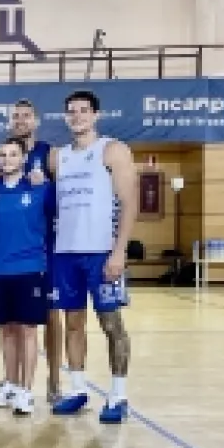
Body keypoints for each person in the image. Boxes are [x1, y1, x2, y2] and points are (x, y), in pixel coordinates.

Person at [49, 90, 136, 423]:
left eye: (84, 110)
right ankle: (77, 389)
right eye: (71, 111)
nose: (77, 116)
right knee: (73, 323)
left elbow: (130, 203)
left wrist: (119, 250)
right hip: (65, 253)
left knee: (111, 324)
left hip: (101, 252)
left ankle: (118, 395)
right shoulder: (58, 158)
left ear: (96, 115)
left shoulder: (112, 150)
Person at [0, 138, 54, 415]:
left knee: (28, 330)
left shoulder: (40, 188)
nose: (8, 159)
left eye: (13, 154)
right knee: (7, 331)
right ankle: (10, 385)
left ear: (24, 159)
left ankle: (26, 391)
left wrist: (47, 182)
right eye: (3, 155)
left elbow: (56, 213)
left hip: (30, 268)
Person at [9, 99, 61, 401]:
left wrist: (46, 187)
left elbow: (61, 198)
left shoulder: (49, 154)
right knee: (15, 319)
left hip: (46, 247)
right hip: (15, 250)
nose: (20, 120)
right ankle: (14, 381)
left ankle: (54, 382)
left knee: (51, 315)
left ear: (36, 121)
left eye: (26, 116)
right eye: (16, 116)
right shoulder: (3, 155)